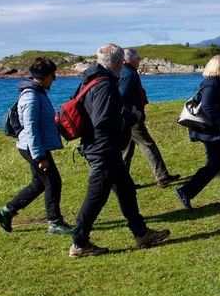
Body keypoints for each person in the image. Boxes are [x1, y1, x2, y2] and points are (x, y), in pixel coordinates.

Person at [69, 43, 170, 258]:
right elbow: (103, 119)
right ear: (118, 63)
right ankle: (79, 243)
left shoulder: (89, 79)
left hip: (102, 147)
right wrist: (131, 117)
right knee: (96, 197)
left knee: (126, 189)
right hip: (102, 149)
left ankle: (141, 233)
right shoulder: (104, 84)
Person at [0, 57, 74, 235]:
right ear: (43, 76)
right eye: (53, 75)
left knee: (39, 183)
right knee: (53, 182)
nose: (55, 79)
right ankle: (54, 222)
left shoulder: (38, 92)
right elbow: (31, 130)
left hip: (34, 146)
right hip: (33, 147)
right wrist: (39, 157)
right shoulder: (31, 97)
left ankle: (6, 211)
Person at [174, 55, 220, 210]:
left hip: (216, 131)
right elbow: (207, 107)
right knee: (215, 165)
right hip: (214, 133)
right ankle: (186, 191)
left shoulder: (214, 83)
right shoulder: (213, 84)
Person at [120, 48, 180, 187]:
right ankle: (162, 176)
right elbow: (122, 96)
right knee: (147, 144)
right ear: (131, 60)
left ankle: (123, 182)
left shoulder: (125, 71)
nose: (139, 62)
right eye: (138, 59)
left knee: (126, 150)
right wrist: (133, 112)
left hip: (127, 117)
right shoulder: (129, 74)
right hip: (132, 117)